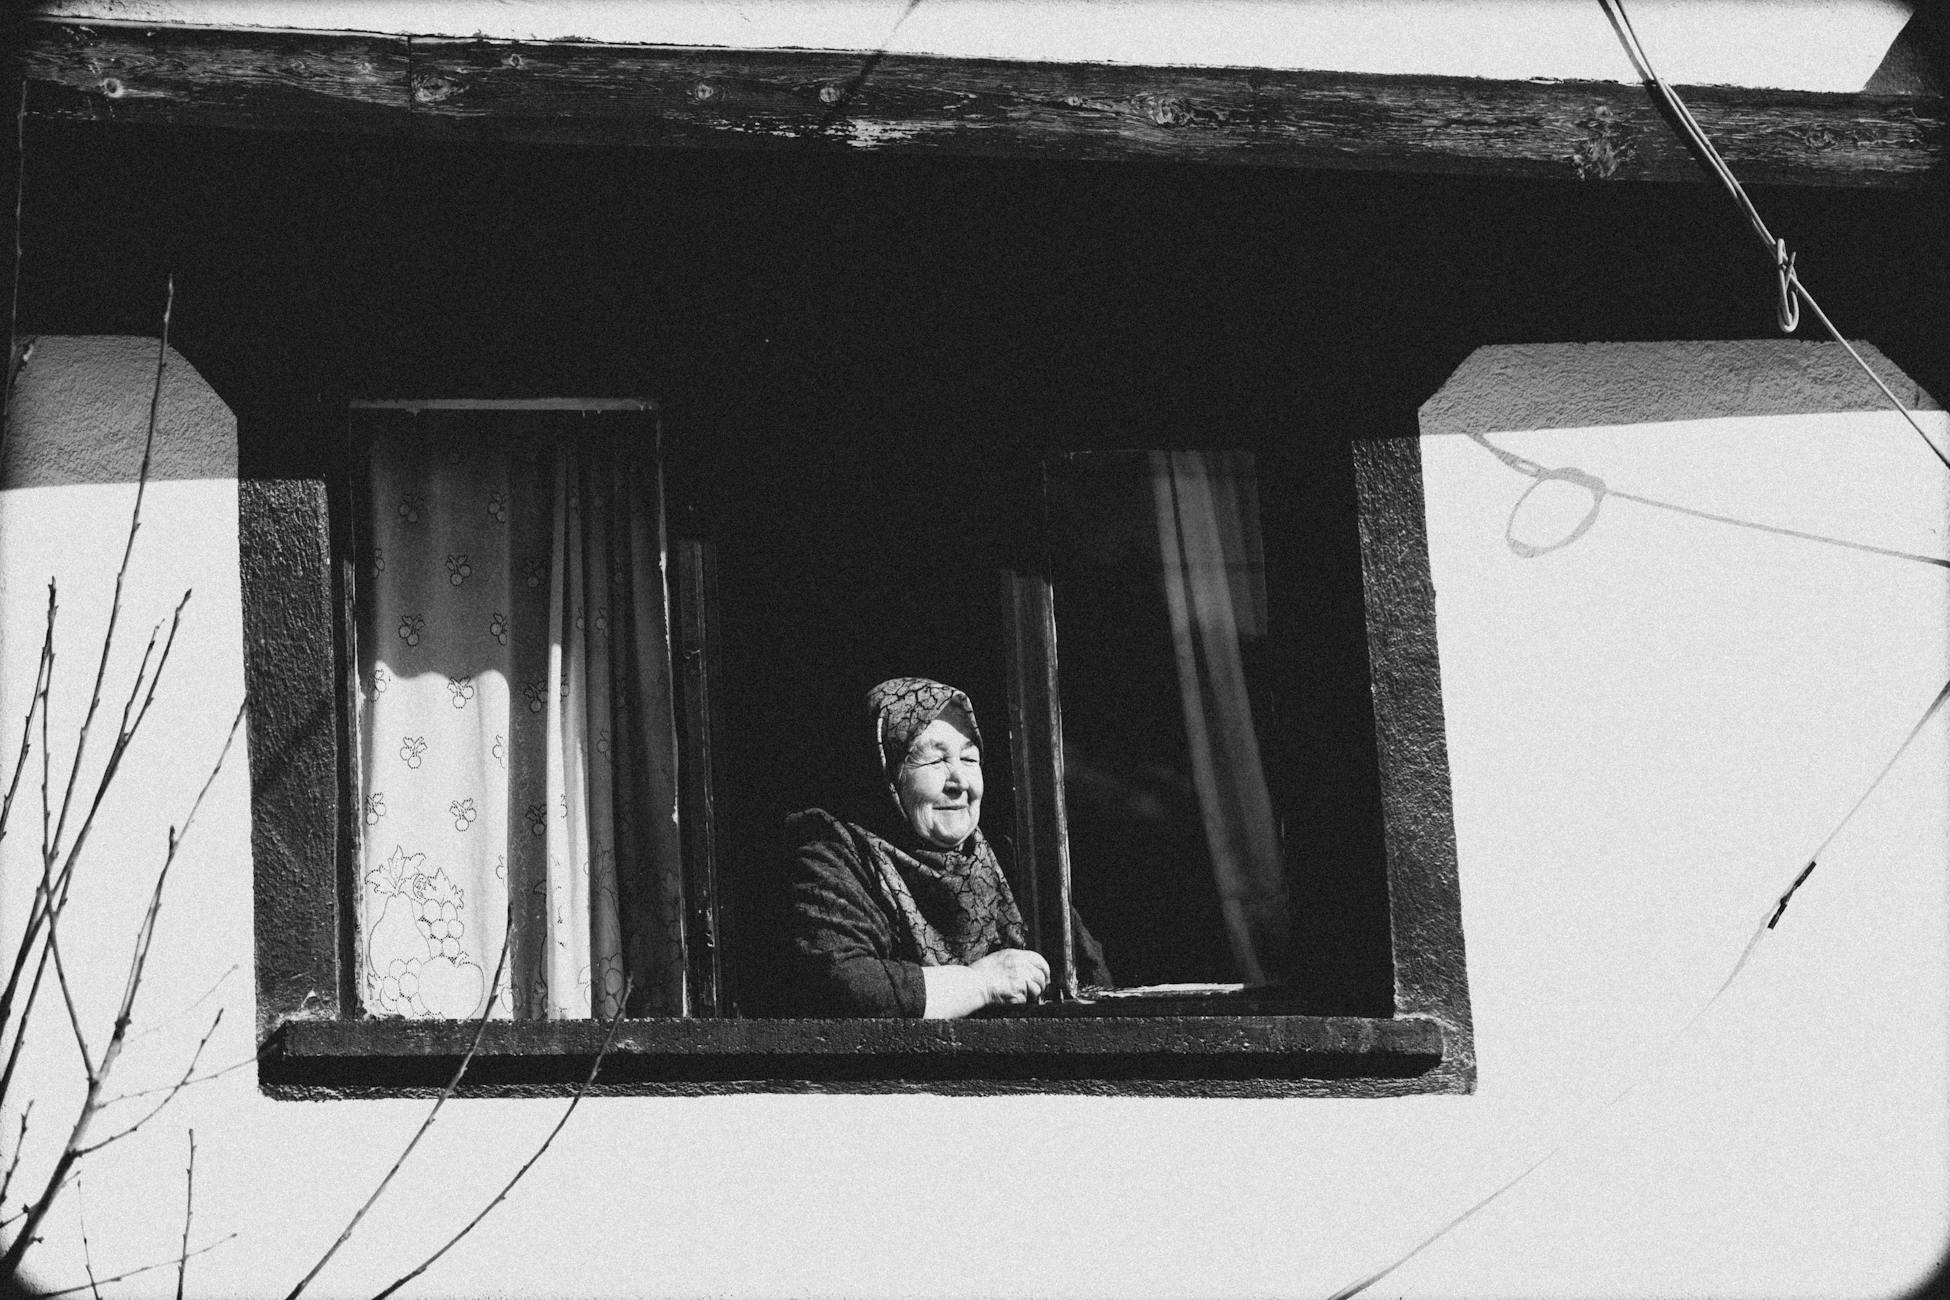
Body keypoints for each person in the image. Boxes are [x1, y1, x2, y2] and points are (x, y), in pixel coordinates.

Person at [774, 676, 1112, 1018]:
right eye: (935, 762)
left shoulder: (1010, 861)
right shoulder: (834, 853)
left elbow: (1091, 978)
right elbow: (842, 982)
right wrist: (978, 984)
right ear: (888, 773)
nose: (959, 782)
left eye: (969, 760)